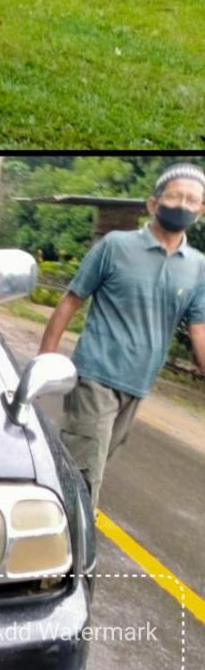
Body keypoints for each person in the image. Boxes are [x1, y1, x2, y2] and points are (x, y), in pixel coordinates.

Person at [39, 163, 205, 511]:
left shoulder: (198, 267)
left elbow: (199, 327)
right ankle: (75, 558)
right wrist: (45, 362)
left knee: (84, 461)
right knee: (85, 475)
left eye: (192, 200)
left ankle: (42, 499)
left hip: (138, 385)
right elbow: (71, 300)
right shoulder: (116, 246)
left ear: (201, 210)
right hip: (95, 375)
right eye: (175, 197)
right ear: (153, 204)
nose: (182, 205)